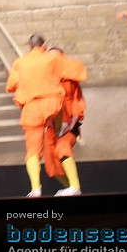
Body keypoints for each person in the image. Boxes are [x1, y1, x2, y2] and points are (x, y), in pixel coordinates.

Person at [6, 34, 86, 198]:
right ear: (45, 45)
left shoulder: (20, 62)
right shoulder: (51, 60)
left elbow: (11, 85)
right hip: (52, 105)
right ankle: (73, 187)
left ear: (30, 47)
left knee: (33, 151)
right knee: (54, 149)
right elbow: (80, 72)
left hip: (32, 108)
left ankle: (36, 189)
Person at [43, 47, 87, 196]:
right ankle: (73, 189)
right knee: (52, 164)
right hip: (52, 126)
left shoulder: (70, 79)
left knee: (62, 148)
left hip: (69, 124)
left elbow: (77, 100)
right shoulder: (45, 80)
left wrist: (74, 122)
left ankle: (75, 187)